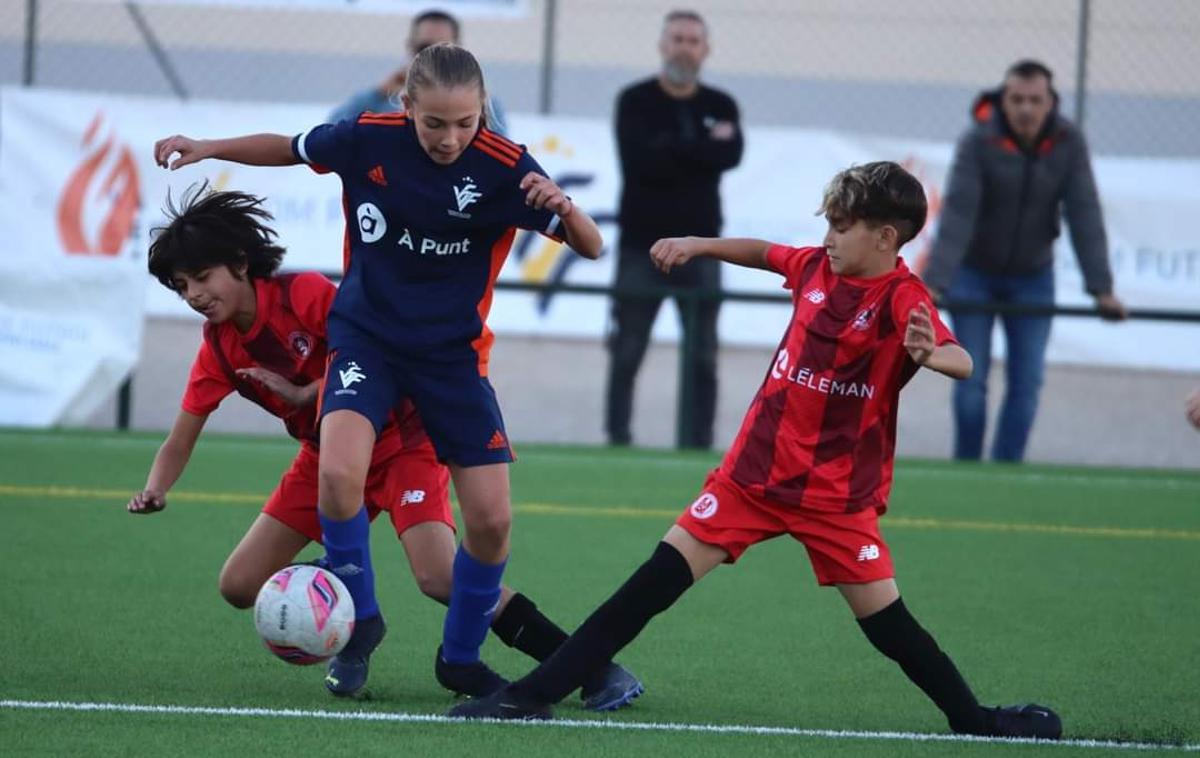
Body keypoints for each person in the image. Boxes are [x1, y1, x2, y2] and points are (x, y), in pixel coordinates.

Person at [447, 162, 1063, 741]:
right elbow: (765, 253)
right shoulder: (818, 269)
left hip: (834, 500)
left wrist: (933, 356)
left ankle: (973, 721)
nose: (827, 236)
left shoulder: (902, 298)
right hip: (749, 482)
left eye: (840, 226)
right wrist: (697, 244)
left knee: (892, 629)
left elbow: (963, 359)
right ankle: (528, 697)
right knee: (647, 588)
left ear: (884, 238)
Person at [127, 186, 640, 709]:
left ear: (239, 263)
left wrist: (308, 392)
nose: (193, 294)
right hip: (325, 460)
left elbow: (375, 351)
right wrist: (154, 489)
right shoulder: (218, 348)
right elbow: (180, 435)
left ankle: (592, 668)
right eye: (180, 286)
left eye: (201, 277)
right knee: (238, 584)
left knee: (440, 577)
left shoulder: (301, 294)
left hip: (401, 444)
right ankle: (354, 617)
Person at [923, 59, 1126, 463]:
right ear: (1003, 100)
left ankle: (1007, 471)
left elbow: (1084, 211)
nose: (1026, 109)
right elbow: (958, 214)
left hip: (1034, 276)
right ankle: (966, 469)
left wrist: (1102, 289)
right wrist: (934, 285)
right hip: (972, 275)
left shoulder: (1069, 142)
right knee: (969, 378)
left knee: (1027, 383)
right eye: (1017, 99)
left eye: (1035, 100)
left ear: (1051, 102)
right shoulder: (977, 141)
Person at [605, 9, 743, 449]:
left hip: (704, 249)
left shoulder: (721, 105)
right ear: (663, 45)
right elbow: (641, 164)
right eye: (677, 38)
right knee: (627, 352)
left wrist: (669, 148)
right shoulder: (634, 101)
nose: (684, 47)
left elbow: (729, 156)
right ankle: (618, 438)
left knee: (703, 356)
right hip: (640, 248)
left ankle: (698, 443)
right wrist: (700, 148)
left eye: (692, 40)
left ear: (706, 49)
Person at [328, 9, 508, 136]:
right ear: (409, 47)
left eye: (443, 47)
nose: (433, 55)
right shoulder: (385, 99)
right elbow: (331, 130)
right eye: (424, 47)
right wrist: (378, 94)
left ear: (459, 49)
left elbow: (501, 159)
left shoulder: (480, 102)